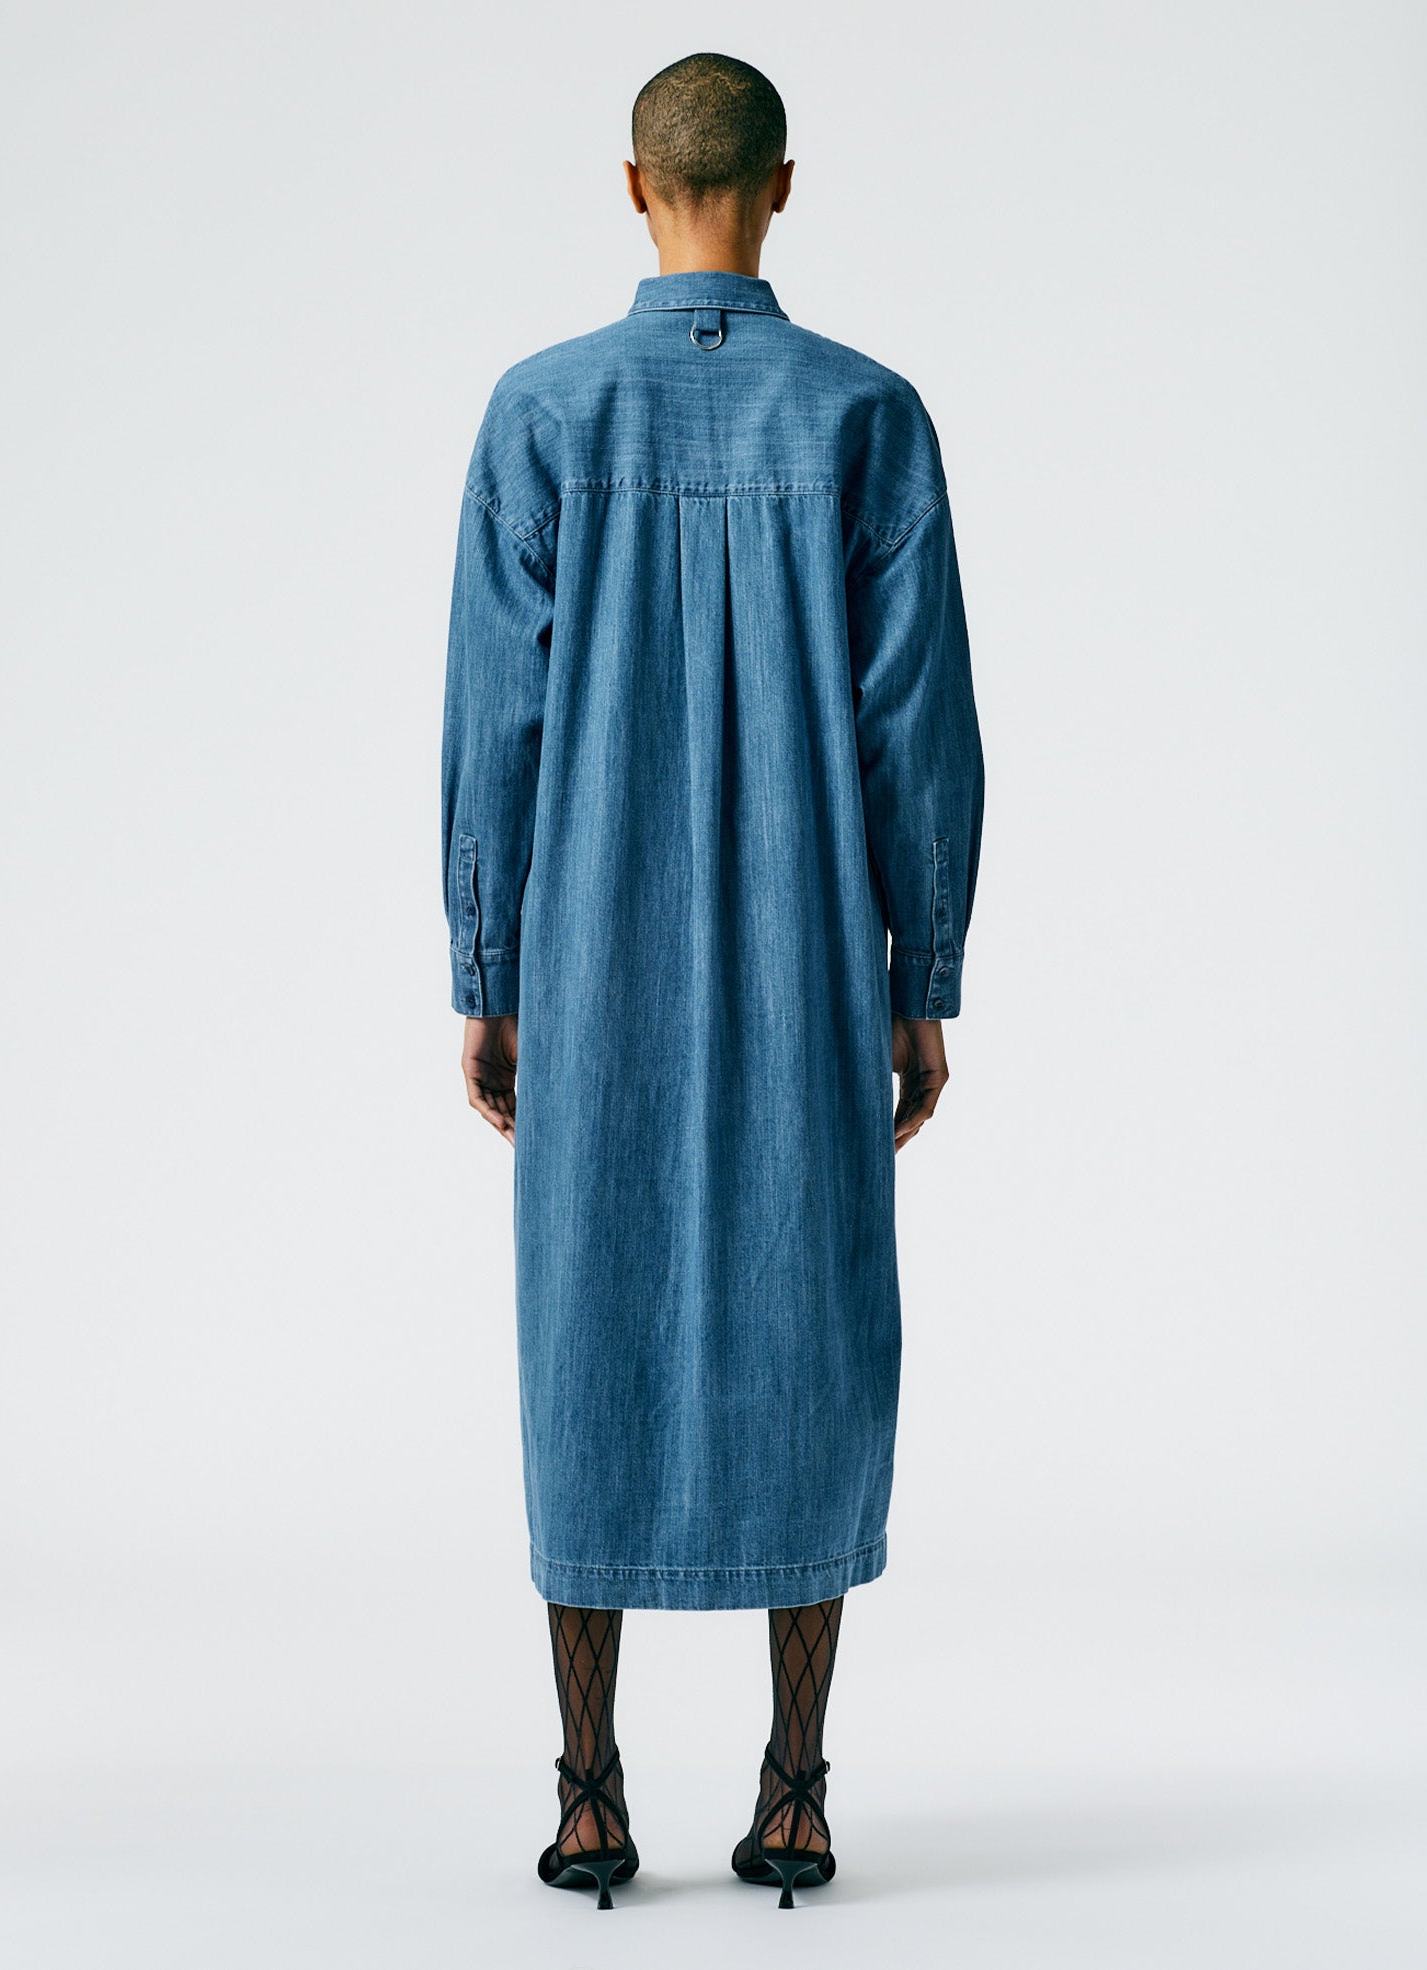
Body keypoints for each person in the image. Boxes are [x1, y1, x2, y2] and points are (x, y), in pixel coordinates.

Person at [440, 52, 985, 1911]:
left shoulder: (537, 413)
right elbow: (919, 728)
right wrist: (924, 976)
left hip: (589, 949)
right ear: (782, 186)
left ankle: (589, 1790)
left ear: (633, 186)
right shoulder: (868, 417)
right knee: (811, 1321)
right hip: (810, 947)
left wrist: (487, 968)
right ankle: (796, 1787)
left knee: (583, 1318)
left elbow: (496, 724)